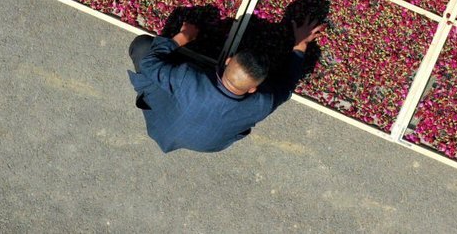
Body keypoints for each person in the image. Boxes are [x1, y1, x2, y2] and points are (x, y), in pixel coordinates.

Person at [127, 16, 325, 153]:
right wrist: (300, 45)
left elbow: (149, 63)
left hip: (163, 120)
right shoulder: (261, 104)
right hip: (206, 142)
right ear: (253, 88)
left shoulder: (188, 79)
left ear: (228, 60)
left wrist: (182, 37)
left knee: (143, 46)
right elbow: (287, 85)